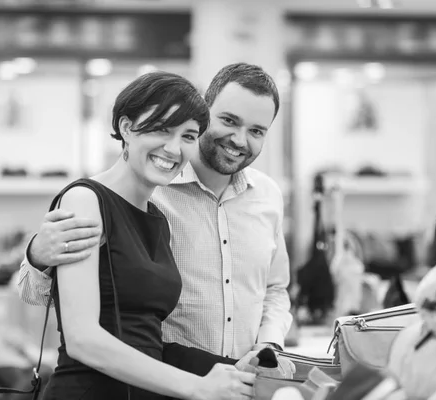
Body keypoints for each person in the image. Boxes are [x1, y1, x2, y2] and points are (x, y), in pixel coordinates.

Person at [20, 63, 293, 362]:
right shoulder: (145, 190)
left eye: (256, 131)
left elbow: (275, 289)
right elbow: (37, 296)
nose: (240, 140)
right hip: (155, 382)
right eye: (228, 120)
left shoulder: (268, 197)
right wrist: (38, 256)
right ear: (204, 112)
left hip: (237, 385)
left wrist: (270, 344)